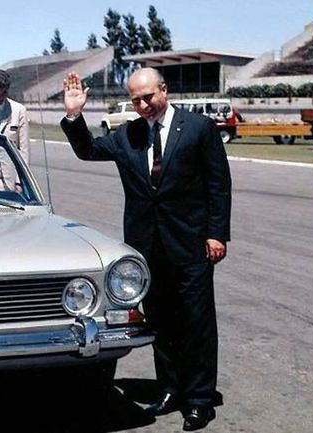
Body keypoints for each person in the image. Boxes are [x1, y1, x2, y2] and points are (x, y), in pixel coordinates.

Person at [61, 68, 231, 431]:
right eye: (136, 100)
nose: (143, 106)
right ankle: (169, 388)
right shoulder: (129, 134)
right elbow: (88, 150)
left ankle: (199, 400)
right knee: (160, 320)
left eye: (148, 97)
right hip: (148, 248)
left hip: (191, 244)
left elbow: (218, 185)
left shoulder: (199, 128)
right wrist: (75, 115)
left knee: (196, 323)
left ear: (164, 90)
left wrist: (217, 235)